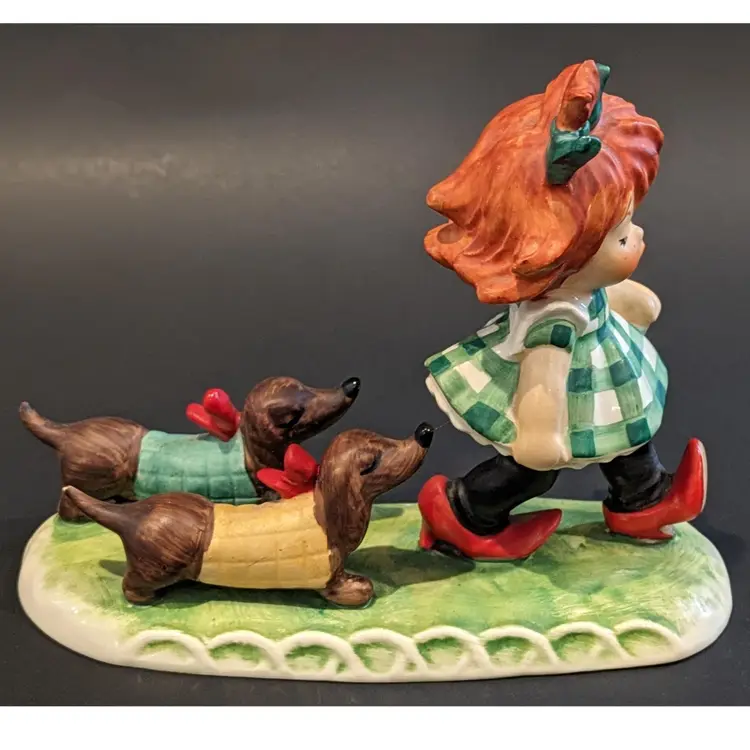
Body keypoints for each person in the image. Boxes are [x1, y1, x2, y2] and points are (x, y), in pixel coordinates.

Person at [417, 60, 706, 560]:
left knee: (626, 430)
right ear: (559, 259)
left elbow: (597, 295)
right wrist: (540, 434)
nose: (638, 237)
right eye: (621, 236)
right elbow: (543, 378)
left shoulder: (575, 291)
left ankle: (644, 499)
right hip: (558, 397)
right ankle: (465, 513)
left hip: (597, 376)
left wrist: (627, 299)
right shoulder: (554, 321)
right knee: (534, 471)